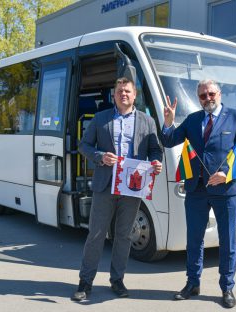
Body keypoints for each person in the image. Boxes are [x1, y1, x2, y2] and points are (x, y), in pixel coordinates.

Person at [161, 79, 236, 308]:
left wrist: (228, 174)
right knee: (194, 240)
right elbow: (169, 140)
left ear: (219, 93)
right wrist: (168, 122)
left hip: (225, 190)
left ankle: (227, 287)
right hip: (196, 190)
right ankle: (192, 283)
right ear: (198, 98)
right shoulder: (193, 120)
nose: (207, 99)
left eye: (211, 94)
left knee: (228, 241)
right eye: (203, 96)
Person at [72, 77, 163, 301]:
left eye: (128, 91)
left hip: (132, 186)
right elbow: (83, 145)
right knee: (96, 234)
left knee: (123, 235)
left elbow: (155, 149)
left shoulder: (147, 121)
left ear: (135, 96)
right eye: (120, 91)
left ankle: (117, 280)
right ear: (114, 95)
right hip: (105, 185)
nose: (124, 94)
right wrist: (100, 156)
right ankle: (85, 282)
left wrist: (156, 162)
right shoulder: (101, 118)